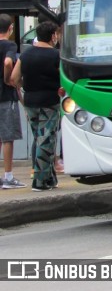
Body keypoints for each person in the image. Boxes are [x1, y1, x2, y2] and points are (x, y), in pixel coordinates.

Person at [10, 20, 61, 192]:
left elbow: (14, 79)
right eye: (57, 34)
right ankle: (39, 181)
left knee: (39, 139)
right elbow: (64, 80)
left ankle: (49, 179)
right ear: (53, 36)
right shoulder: (56, 56)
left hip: (30, 101)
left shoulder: (25, 54)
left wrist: (27, 84)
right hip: (49, 102)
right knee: (46, 141)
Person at [0, 14, 26, 189]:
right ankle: (8, 177)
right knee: (8, 138)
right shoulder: (9, 45)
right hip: (6, 98)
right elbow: (8, 62)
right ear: (10, 28)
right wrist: (7, 78)